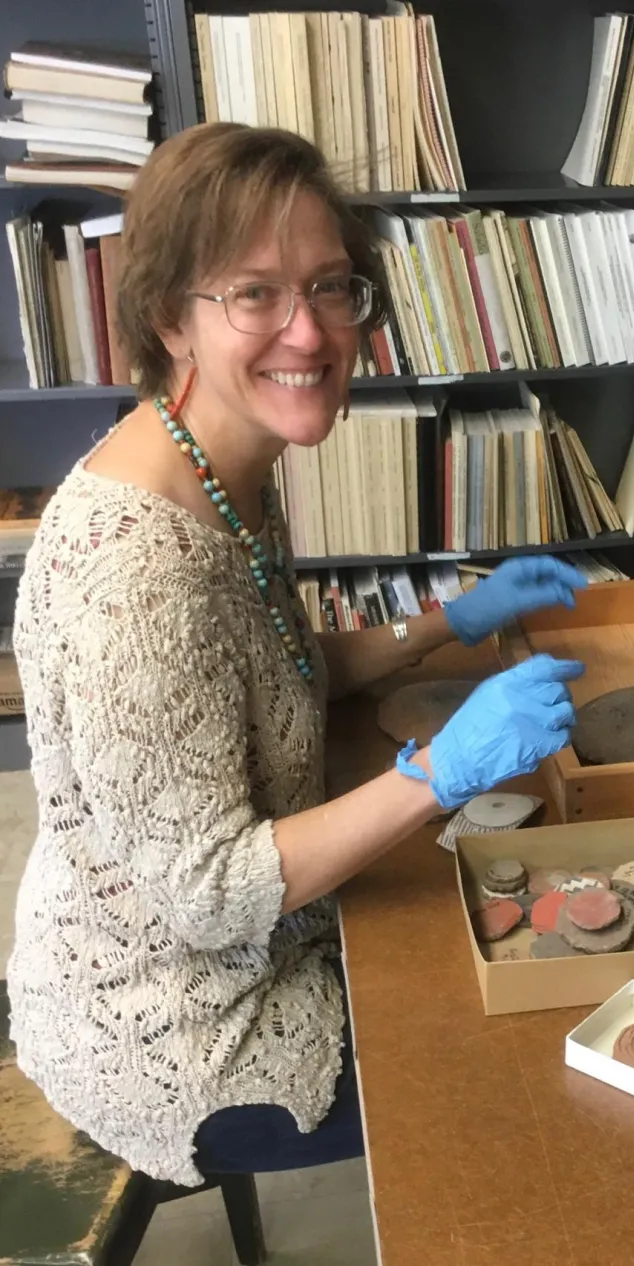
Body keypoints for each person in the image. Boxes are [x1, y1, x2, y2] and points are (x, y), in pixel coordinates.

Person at [6, 122, 585, 1187]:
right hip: (185, 1023)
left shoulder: (215, 460)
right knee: (548, 1055)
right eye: (254, 294)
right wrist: (435, 772)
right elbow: (211, 893)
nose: (308, 333)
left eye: (329, 287)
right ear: (167, 319)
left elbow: (274, 666)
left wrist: (446, 622)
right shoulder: (137, 569)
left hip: (247, 941)